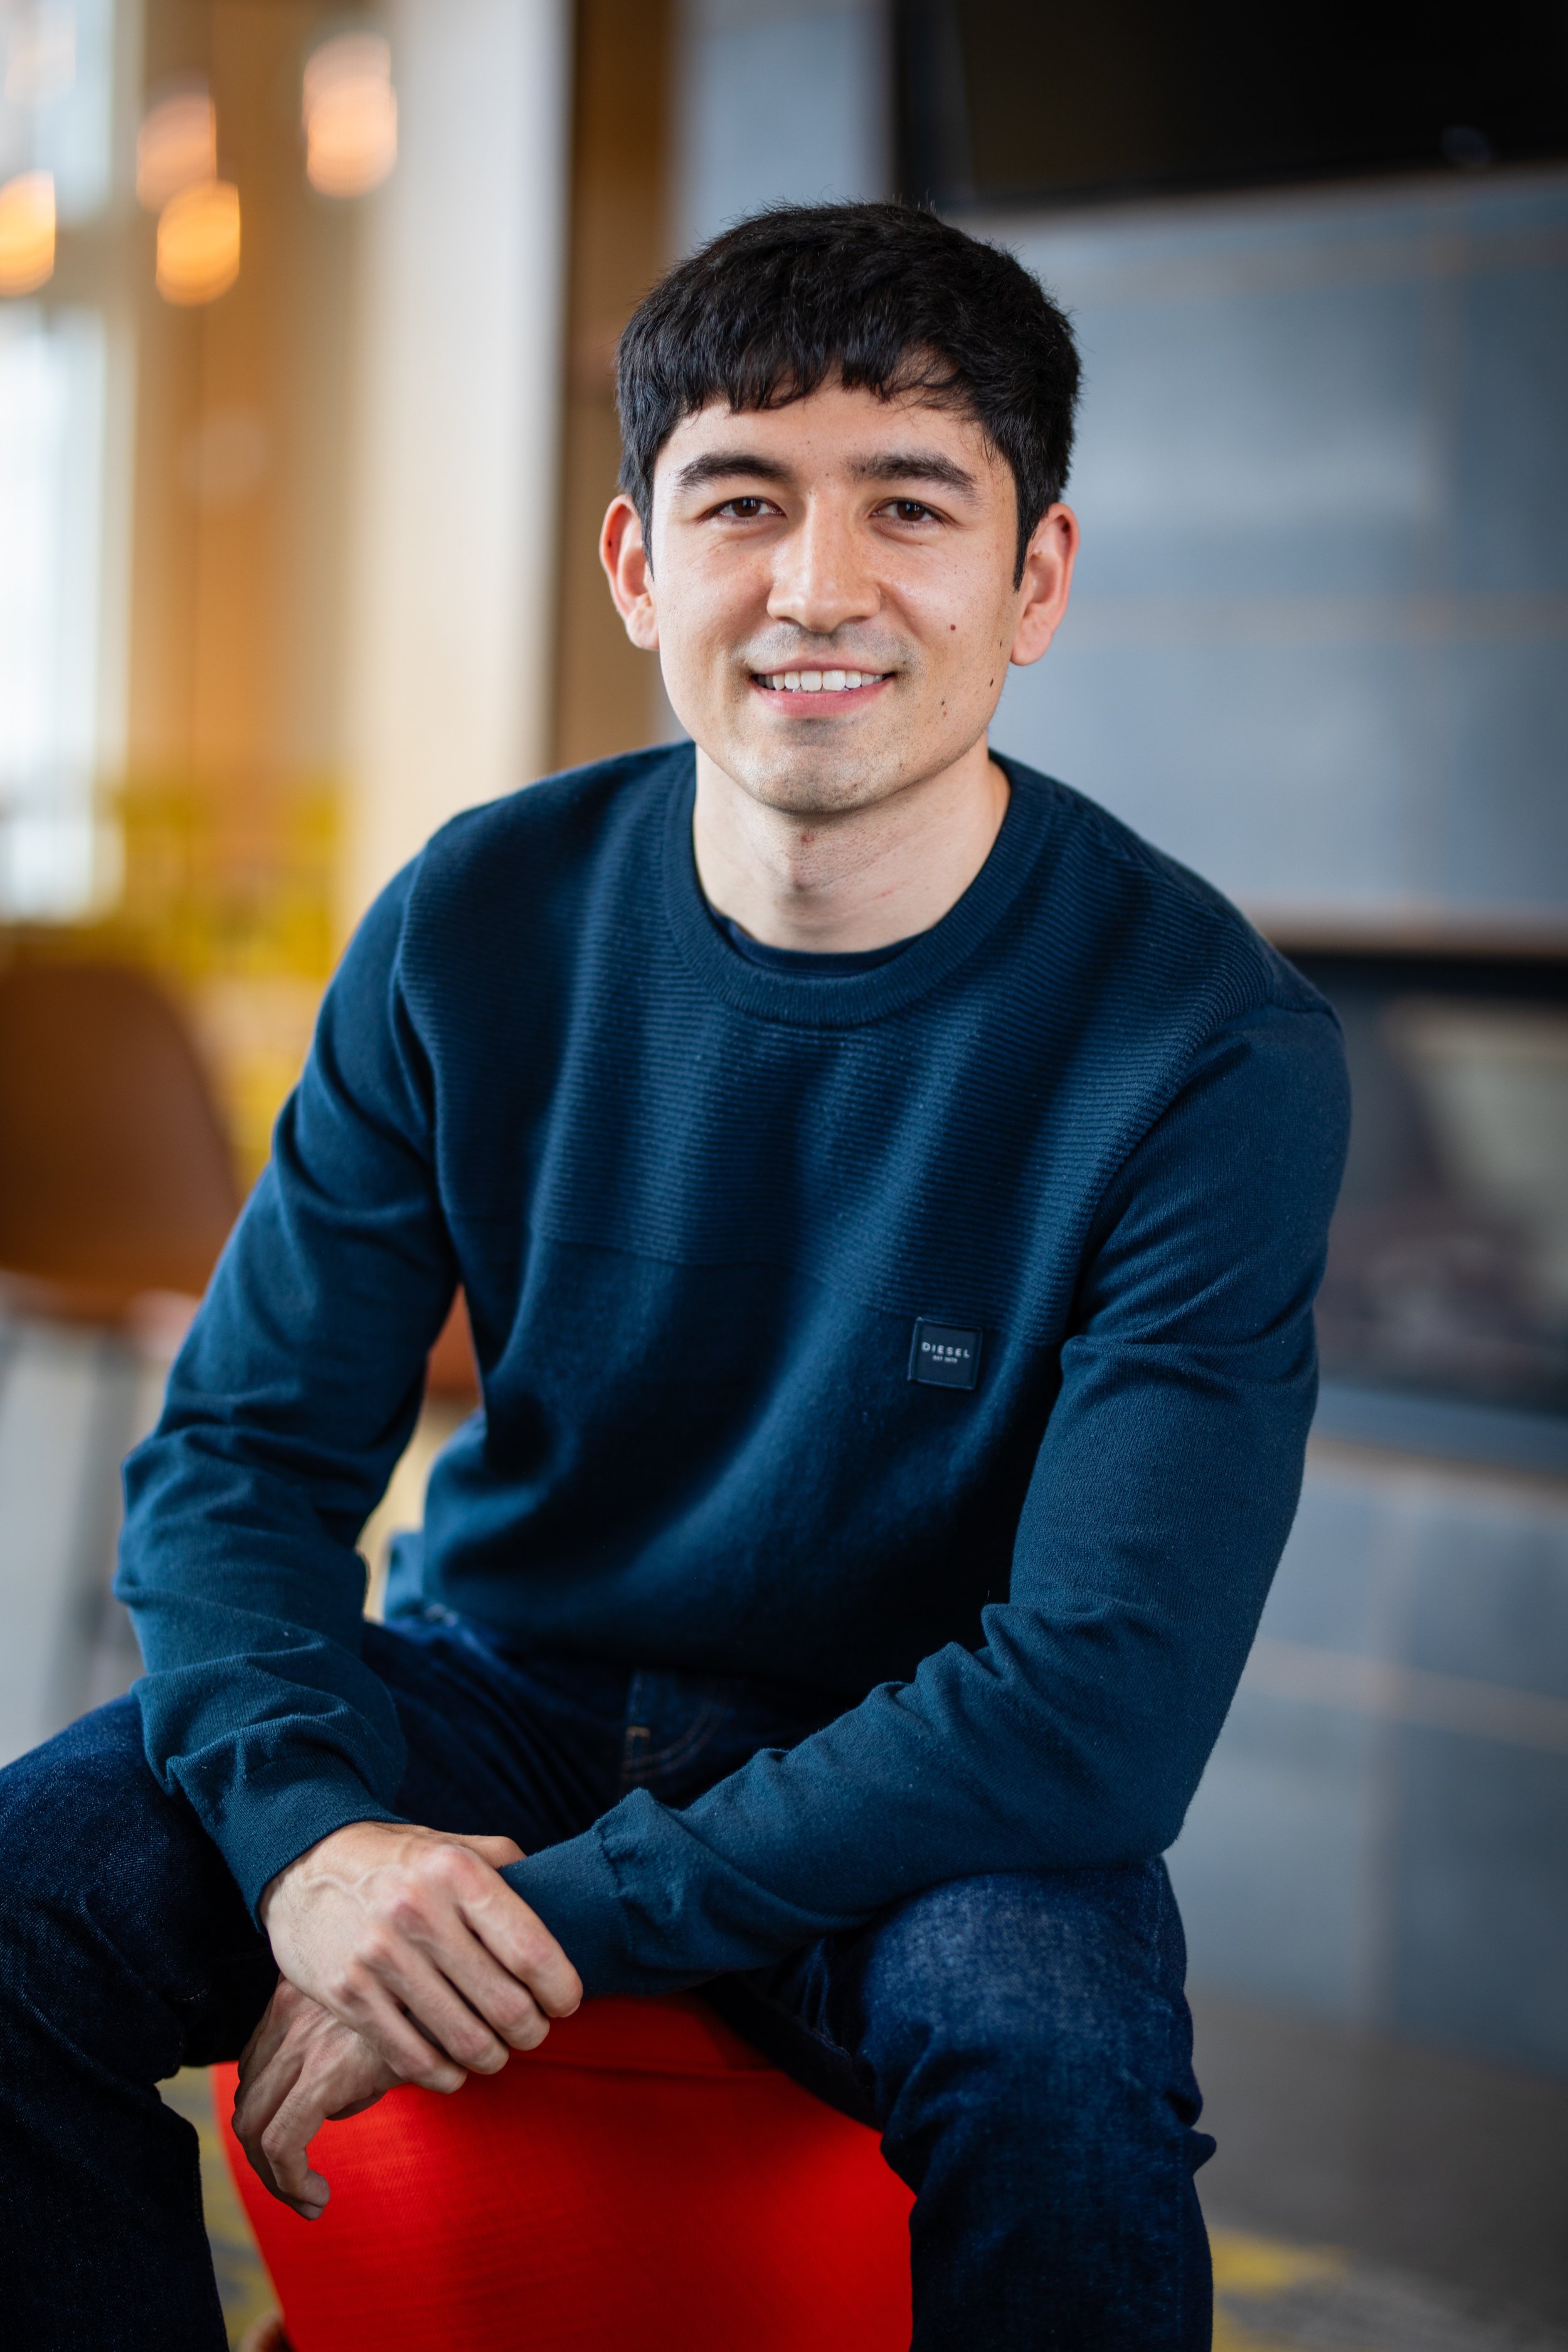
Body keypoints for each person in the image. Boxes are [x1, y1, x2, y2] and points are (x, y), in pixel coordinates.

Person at [0, 202, 1348, 2350]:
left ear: (1033, 582)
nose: (818, 588)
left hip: (926, 1770)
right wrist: (321, 1846)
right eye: (742, 503)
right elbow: (243, 1458)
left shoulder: (1203, 1047)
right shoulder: (478, 921)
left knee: (1053, 2057)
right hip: (505, 1684)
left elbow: (1094, 1697)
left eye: (910, 504)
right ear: (638, 566)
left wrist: (536, 1923)